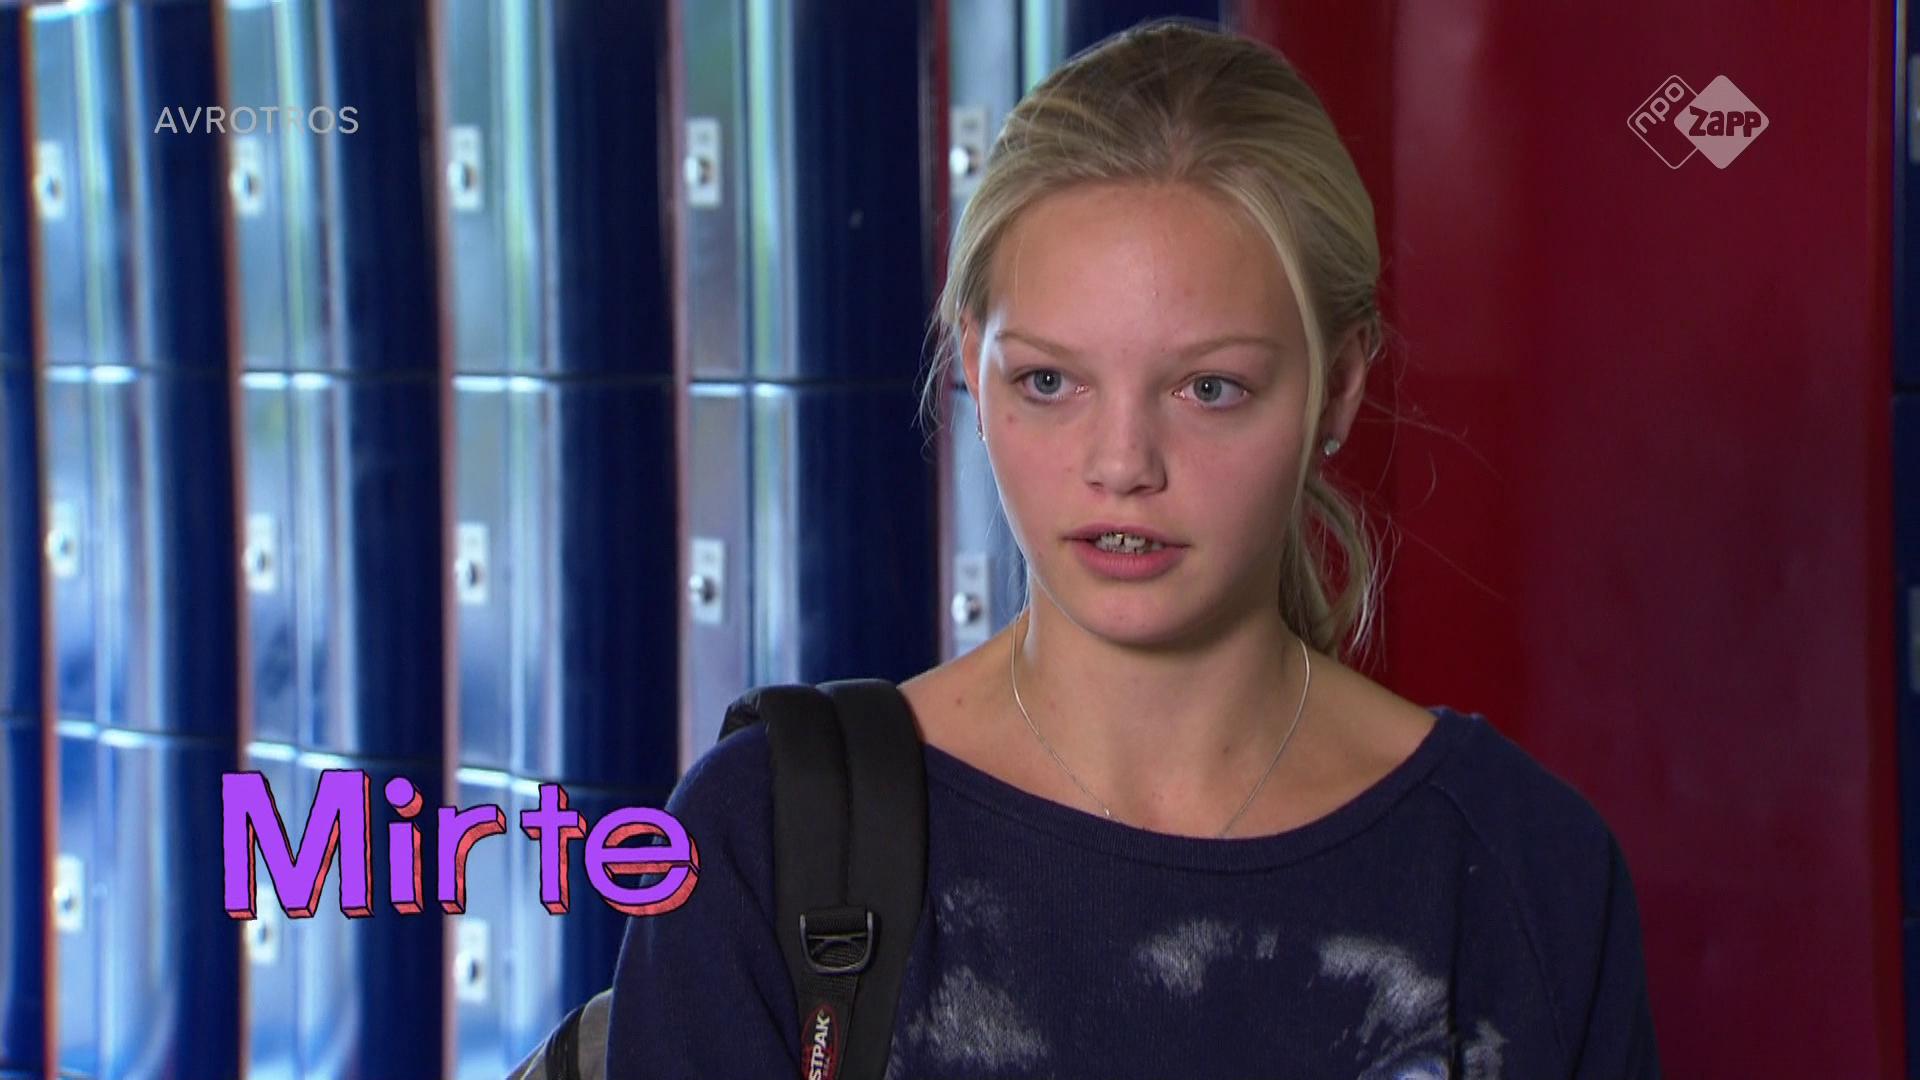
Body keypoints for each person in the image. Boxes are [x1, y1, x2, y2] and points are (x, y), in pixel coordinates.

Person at [607, 17, 1660, 1079]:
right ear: (972, 362)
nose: (1121, 465)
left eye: (1209, 388)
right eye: (1049, 381)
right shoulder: (765, 842)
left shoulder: (1529, 870)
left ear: (1339, 387)